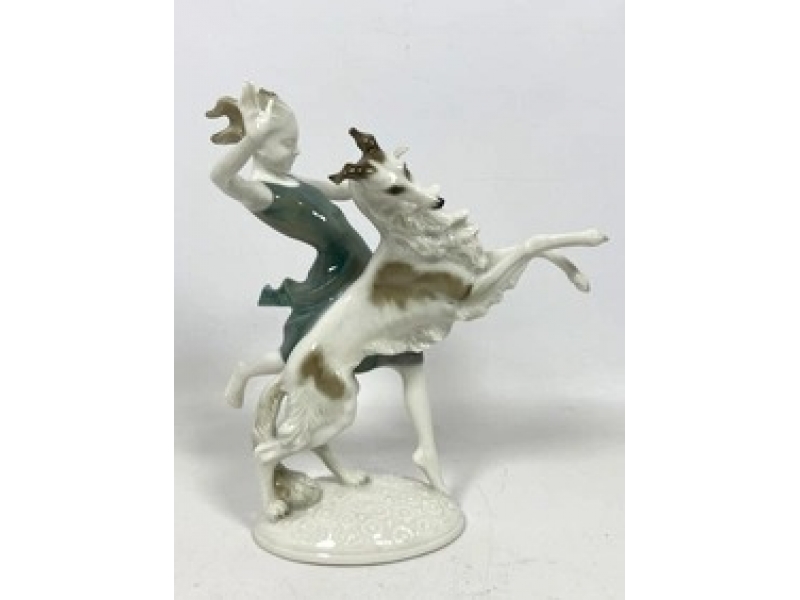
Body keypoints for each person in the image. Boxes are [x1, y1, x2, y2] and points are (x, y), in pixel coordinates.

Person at [207, 83, 446, 491]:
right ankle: (247, 372)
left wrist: (386, 173)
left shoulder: (294, 180)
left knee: (409, 356)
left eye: (296, 142)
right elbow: (220, 177)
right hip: (337, 280)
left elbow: (343, 190)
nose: (296, 151)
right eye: (286, 143)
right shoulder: (260, 193)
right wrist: (250, 139)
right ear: (259, 146)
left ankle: (426, 450)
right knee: (300, 358)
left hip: (362, 269)